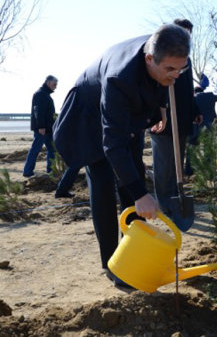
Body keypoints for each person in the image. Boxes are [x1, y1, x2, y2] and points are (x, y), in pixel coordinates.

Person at [53, 24, 190, 286]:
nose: (177, 75)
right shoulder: (119, 78)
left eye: (181, 68)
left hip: (128, 111)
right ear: (150, 58)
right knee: (104, 182)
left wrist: (160, 107)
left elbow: (164, 79)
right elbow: (113, 144)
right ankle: (113, 264)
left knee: (134, 173)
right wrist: (141, 195)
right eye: (170, 70)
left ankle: (134, 257)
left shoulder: (168, 53)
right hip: (90, 115)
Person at [150, 19, 202, 208]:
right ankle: (164, 204)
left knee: (176, 164)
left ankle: (174, 200)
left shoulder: (185, 61)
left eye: (188, 35)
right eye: (182, 33)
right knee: (164, 165)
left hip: (182, 119)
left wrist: (195, 110)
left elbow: (188, 90)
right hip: (163, 122)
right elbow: (154, 89)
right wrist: (159, 113)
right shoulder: (160, 57)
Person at [184, 86, 217, 176]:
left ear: (194, 92)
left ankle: (189, 171)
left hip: (196, 127)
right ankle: (209, 171)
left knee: (192, 149)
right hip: (210, 128)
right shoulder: (210, 96)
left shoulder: (192, 98)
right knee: (209, 149)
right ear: (203, 91)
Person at [23, 75, 58, 178]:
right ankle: (27, 171)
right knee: (36, 149)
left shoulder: (46, 94)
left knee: (52, 150)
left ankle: (51, 170)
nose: (56, 86)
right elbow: (38, 111)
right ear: (48, 82)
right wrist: (41, 126)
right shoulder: (40, 94)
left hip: (48, 128)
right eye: (54, 84)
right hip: (42, 129)